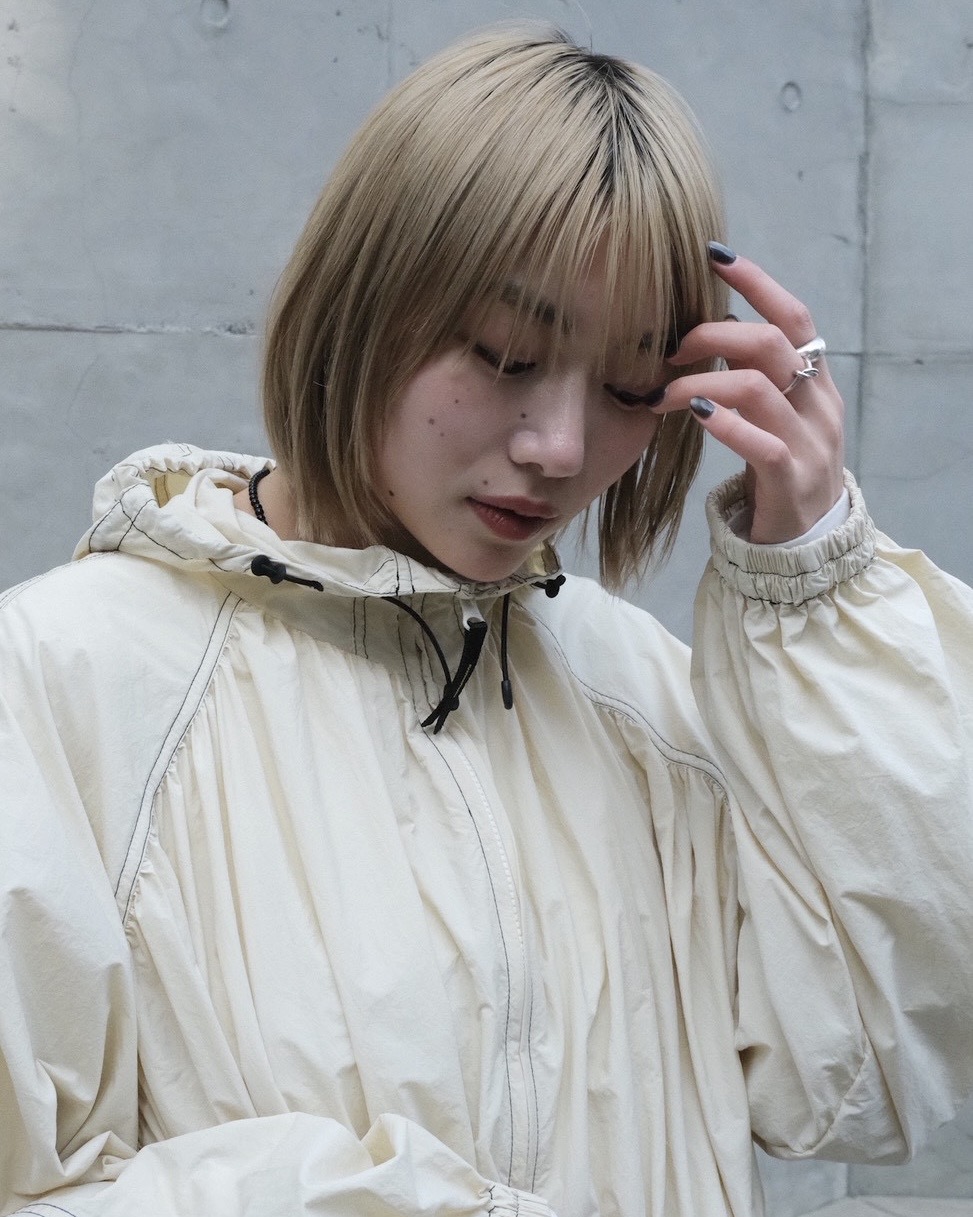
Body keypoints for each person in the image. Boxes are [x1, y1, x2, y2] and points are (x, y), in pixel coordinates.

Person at [1, 23, 972, 1217]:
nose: (561, 447)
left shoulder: (638, 696)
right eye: (508, 355)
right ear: (363, 297)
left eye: (629, 386)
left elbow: (860, 1077)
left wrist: (816, 588)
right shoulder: (65, 682)